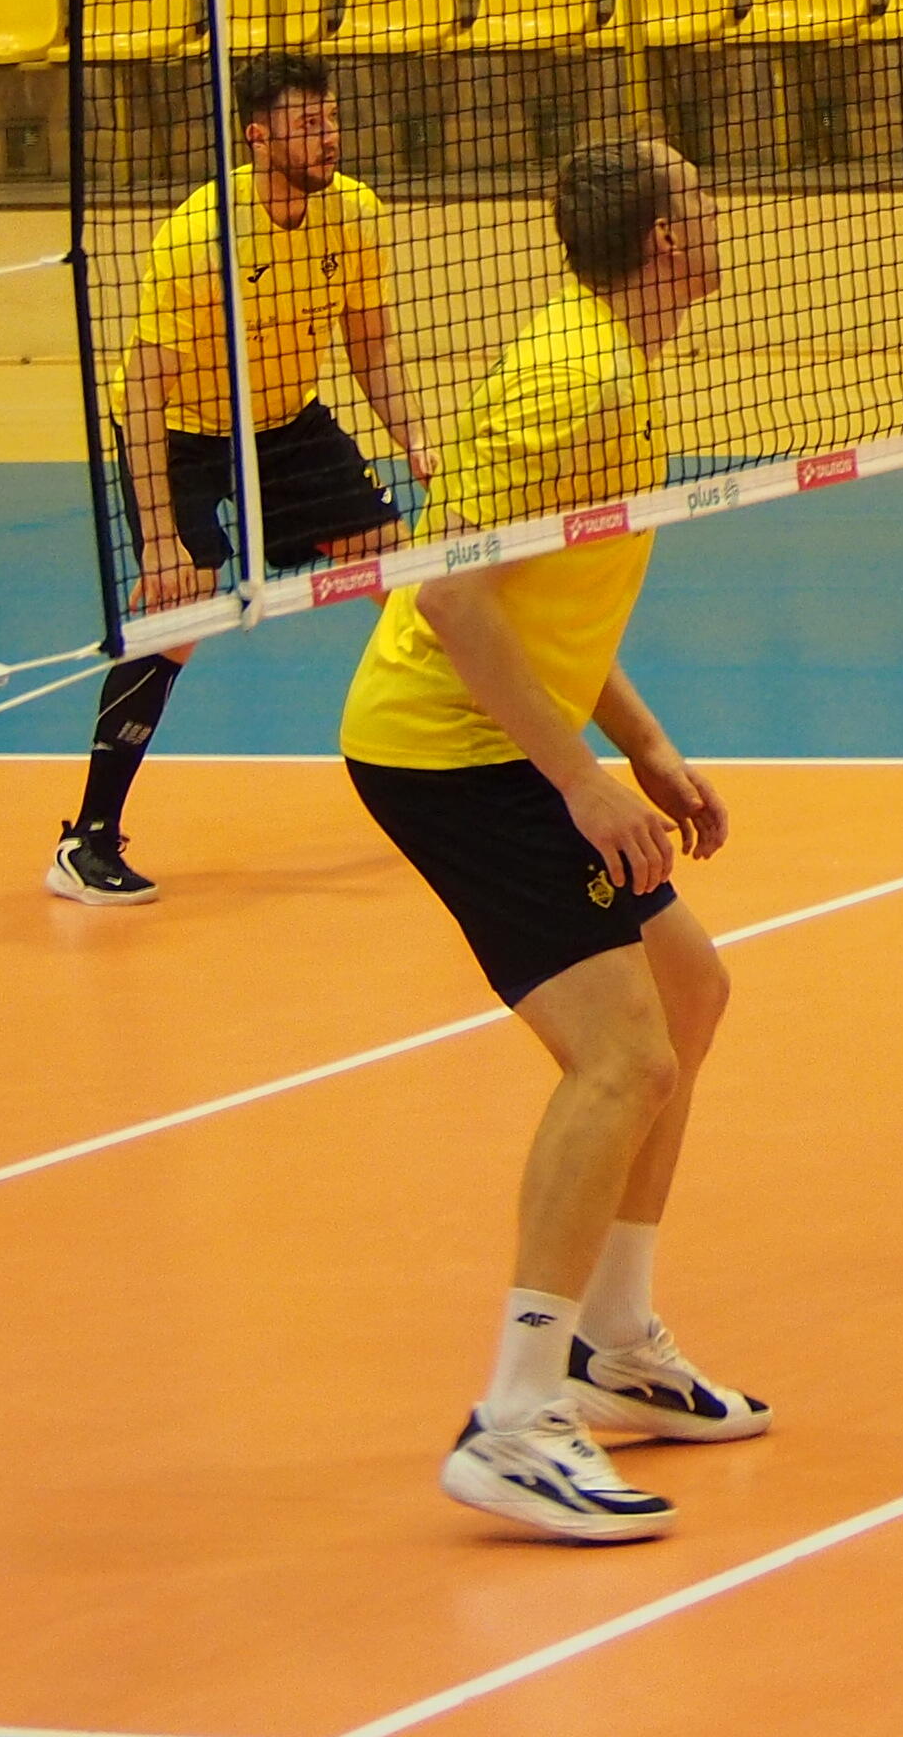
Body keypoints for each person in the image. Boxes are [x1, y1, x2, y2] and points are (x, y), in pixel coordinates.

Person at [339, 139, 767, 1543]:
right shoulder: (569, 375)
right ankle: (515, 1417)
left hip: (512, 743)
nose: (717, 213)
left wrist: (641, 741)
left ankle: (613, 1342)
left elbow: (547, 597)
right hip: (449, 756)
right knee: (623, 1056)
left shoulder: (615, 365)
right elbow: (454, 595)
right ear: (664, 243)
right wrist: (581, 781)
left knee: (689, 993)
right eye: (698, 200)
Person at [62, 50, 433, 905]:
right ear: (259, 138)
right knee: (180, 607)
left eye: (331, 119)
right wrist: (160, 539)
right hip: (182, 431)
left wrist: (414, 439)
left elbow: (370, 344)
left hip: (284, 421)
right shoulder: (201, 238)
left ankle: (476, 768)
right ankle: (87, 839)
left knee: (409, 576)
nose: (328, 136)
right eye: (307, 125)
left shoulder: (354, 214)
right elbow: (144, 391)